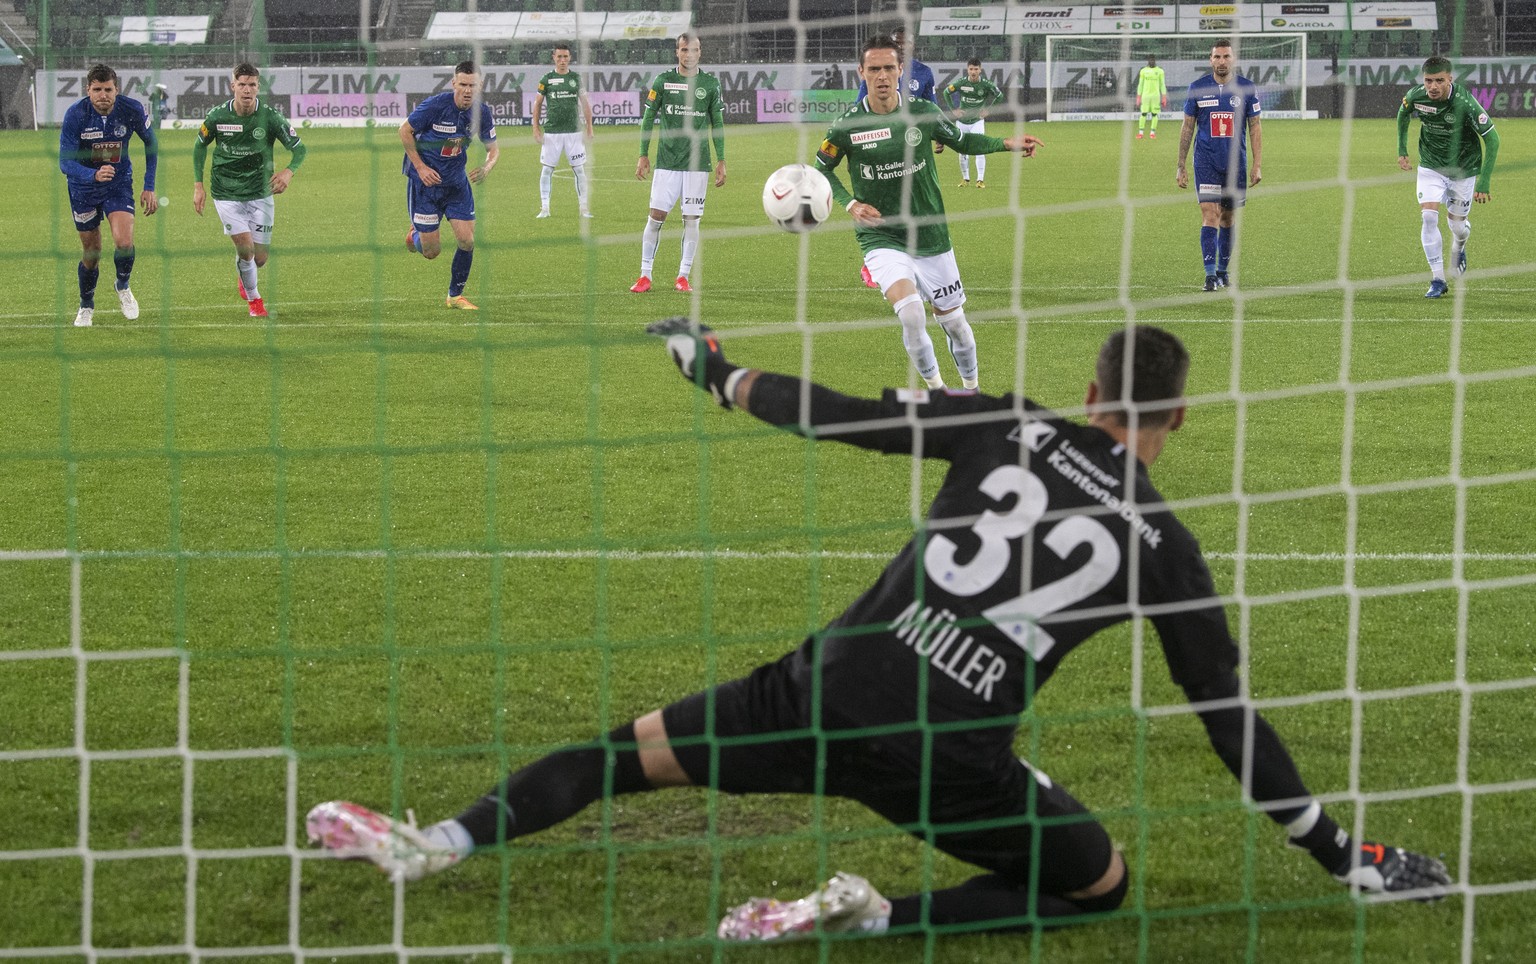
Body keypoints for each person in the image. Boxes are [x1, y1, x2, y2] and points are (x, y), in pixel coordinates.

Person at [306, 319, 1452, 940]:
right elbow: (1229, 722)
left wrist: (716, 371)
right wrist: (1342, 855)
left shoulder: (1006, 421)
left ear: (1089, 388)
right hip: (950, 759)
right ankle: (873, 914)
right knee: (1096, 886)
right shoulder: (1168, 546)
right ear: (1178, 418)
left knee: (623, 755)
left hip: (828, 690)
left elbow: (845, 418)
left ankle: (438, 845)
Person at [815, 35, 1042, 390]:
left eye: (889, 67)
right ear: (861, 72)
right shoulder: (846, 126)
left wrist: (1006, 144)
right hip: (882, 236)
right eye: (873, 69)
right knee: (911, 313)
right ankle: (940, 394)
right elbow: (821, 169)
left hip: (931, 234)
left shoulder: (923, 112)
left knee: (956, 326)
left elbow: (963, 142)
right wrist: (850, 203)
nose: (882, 76)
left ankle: (972, 392)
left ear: (901, 70)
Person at [192, 63, 306, 320]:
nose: (246, 90)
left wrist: (288, 172)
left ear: (258, 87)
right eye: (241, 84)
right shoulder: (217, 116)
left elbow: (300, 150)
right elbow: (199, 147)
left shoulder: (271, 118)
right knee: (246, 249)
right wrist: (198, 185)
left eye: (252, 84)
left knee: (260, 258)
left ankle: (245, 275)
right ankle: (255, 300)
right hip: (226, 191)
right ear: (233, 86)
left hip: (260, 192)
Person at [58, 63, 158, 328]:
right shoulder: (75, 115)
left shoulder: (132, 109)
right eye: (97, 89)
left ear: (117, 89)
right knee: (92, 252)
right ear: (88, 90)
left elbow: (151, 144)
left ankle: (122, 286)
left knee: (124, 242)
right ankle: (86, 305)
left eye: (108, 89)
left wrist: (149, 185)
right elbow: (64, 162)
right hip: (83, 188)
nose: (103, 95)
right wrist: (91, 175)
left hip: (118, 182)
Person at [1396, 55, 1498, 299]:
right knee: (1429, 217)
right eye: (1429, 80)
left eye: (1439, 81)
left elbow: (1492, 139)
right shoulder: (1415, 96)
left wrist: (1484, 182)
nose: (1433, 86)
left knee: (1458, 227)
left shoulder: (1465, 102)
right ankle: (1438, 279)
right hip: (1431, 166)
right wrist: (1402, 150)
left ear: (1450, 79)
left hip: (1464, 170)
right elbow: (1402, 115)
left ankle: (1459, 246)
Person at [630, 33, 725, 294]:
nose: (689, 55)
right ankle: (645, 275)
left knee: (691, 220)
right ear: (677, 52)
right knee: (655, 217)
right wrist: (642, 153)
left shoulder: (710, 84)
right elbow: (647, 120)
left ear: (700, 52)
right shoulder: (663, 81)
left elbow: (717, 124)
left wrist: (722, 160)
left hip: (698, 165)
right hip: (667, 162)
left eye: (693, 50)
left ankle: (683, 276)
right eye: (684, 50)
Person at [401, 60, 499, 310]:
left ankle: (455, 296)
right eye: (463, 84)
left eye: (473, 85)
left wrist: (487, 167)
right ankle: (415, 235)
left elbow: (493, 150)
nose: (467, 90)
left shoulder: (482, 112)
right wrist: (421, 168)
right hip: (426, 186)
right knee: (432, 252)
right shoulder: (435, 106)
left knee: (467, 241)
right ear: (454, 83)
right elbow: (405, 131)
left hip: (456, 185)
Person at [855, 25, 942, 288]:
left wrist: (939, 133)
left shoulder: (924, 73)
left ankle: (912, 260)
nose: (903, 47)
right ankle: (875, 261)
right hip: (881, 149)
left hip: (913, 149)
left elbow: (932, 108)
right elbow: (861, 105)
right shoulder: (880, 70)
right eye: (898, 43)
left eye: (906, 44)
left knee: (917, 205)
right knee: (882, 207)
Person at [1175, 39, 1262, 292]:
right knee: (1209, 214)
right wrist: (1181, 165)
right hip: (1206, 162)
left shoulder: (1246, 88)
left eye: (1226, 56)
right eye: (1217, 57)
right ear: (1210, 60)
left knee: (1228, 217)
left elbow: (1255, 127)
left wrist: (1257, 165)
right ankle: (1210, 275)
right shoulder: (1197, 88)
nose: (1222, 61)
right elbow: (1187, 126)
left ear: (1232, 59)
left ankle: (1223, 271)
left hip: (1236, 164)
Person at [531, 42, 594, 220]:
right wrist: (536, 129)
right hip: (552, 133)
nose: (562, 60)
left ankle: (583, 209)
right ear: (554, 58)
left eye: (565, 57)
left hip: (574, 132)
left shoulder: (576, 79)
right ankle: (545, 208)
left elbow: (585, 104)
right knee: (547, 170)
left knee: (579, 170)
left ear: (570, 58)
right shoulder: (546, 79)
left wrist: (589, 127)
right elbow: (537, 104)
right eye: (559, 57)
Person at [944, 57, 1003, 188]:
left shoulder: (986, 85)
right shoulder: (961, 83)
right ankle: (965, 179)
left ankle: (980, 180)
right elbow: (946, 92)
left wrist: (988, 110)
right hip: (962, 122)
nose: (973, 72)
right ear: (967, 70)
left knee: (980, 149)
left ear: (980, 70)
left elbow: (1000, 96)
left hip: (977, 122)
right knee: (962, 151)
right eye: (971, 69)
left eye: (976, 69)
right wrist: (954, 110)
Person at [1135, 55, 1166, 140]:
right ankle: (1140, 133)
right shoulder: (1143, 71)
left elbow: (1162, 84)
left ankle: (1152, 133)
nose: (1151, 61)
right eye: (1150, 60)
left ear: (1155, 61)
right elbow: (1140, 84)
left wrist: (1164, 97)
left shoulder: (1160, 71)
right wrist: (1138, 97)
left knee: (1154, 114)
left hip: (1155, 96)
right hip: (1145, 96)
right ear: (1148, 61)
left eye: (1153, 60)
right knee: (1143, 113)